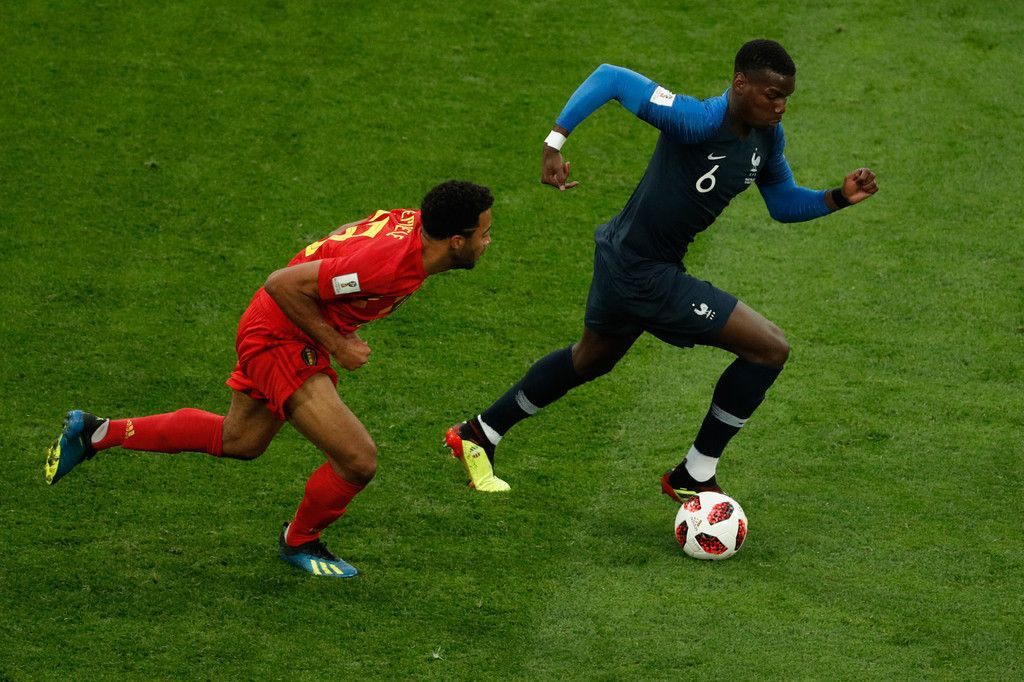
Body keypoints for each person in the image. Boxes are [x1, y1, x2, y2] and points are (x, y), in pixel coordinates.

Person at [444, 40, 877, 500]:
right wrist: (554, 143)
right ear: (740, 83)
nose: (781, 106)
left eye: (786, 97)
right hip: (641, 271)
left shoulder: (768, 138)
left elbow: (783, 203)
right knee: (769, 348)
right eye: (772, 95)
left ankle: (480, 432)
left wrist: (838, 197)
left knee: (591, 359)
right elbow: (611, 77)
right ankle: (695, 472)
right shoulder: (696, 120)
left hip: (627, 259)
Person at [46, 180, 495, 578]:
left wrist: (332, 287)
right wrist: (339, 344)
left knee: (240, 439)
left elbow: (350, 230)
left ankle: (96, 433)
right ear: (456, 241)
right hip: (280, 336)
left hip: (282, 327)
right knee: (358, 460)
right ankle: (299, 541)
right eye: (485, 233)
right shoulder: (388, 267)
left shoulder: (414, 225)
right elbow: (281, 284)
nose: (488, 241)